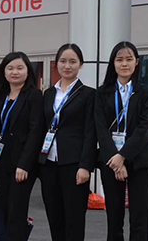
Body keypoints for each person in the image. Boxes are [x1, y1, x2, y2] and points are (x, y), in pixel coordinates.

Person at [95, 41, 148, 241]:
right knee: (114, 218)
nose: (124, 64)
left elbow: (144, 129)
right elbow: (100, 129)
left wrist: (122, 156)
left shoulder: (146, 93)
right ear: (113, 63)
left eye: (129, 59)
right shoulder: (101, 93)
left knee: (139, 217)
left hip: (139, 159)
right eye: (119, 59)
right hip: (110, 160)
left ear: (136, 62)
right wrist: (115, 160)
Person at [38, 43, 96, 241]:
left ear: (81, 65)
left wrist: (85, 166)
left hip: (74, 164)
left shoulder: (88, 94)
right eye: (63, 61)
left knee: (74, 219)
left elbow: (90, 133)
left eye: (73, 61)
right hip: (49, 164)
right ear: (56, 64)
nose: (67, 66)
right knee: (54, 217)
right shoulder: (48, 94)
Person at [0, 51, 44, 241]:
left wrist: (25, 164)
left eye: (20, 68)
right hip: (1, 161)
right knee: (3, 206)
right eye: (10, 68)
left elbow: (35, 131)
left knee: (17, 210)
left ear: (28, 71)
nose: (15, 72)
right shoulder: (0, 95)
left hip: (21, 163)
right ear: (3, 72)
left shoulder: (34, 96)